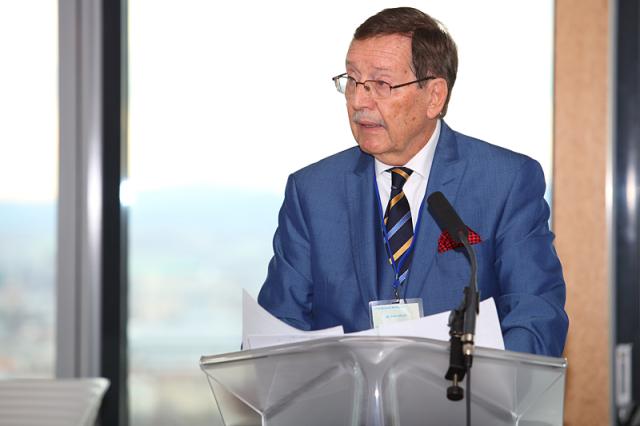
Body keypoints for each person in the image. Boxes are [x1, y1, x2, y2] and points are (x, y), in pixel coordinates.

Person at [258, 7, 568, 357]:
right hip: (345, 407)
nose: (359, 101)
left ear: (434, 96)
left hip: (464, 403)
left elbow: (536, 317)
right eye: (353, 80)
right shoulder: (313, 192)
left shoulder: (505, 183)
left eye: (381, 84)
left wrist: (483, 395)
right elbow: (278, 330)